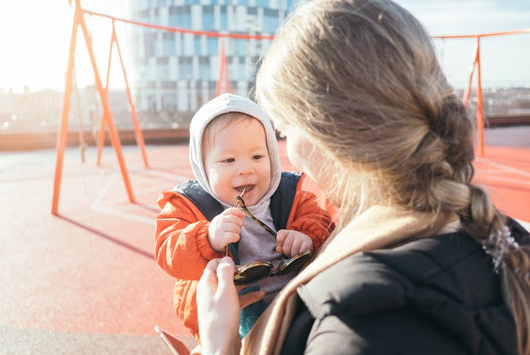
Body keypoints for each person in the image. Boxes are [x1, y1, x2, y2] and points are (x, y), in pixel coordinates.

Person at [195, 0, 530, 354]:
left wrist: (222, 347)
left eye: (284, 129)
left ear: (326, 133)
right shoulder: (505, 237)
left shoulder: (357, 320)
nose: (289, 152)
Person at [154, 93, 334, 341]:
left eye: (257, 157)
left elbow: (321, 220)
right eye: (228, 160)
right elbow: (168, 251)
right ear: (203, 166)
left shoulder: (289, 193)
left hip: (292, 296)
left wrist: (306, 237)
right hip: (231, 308)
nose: (245, 168)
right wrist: (207, 238)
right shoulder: (189, 205)